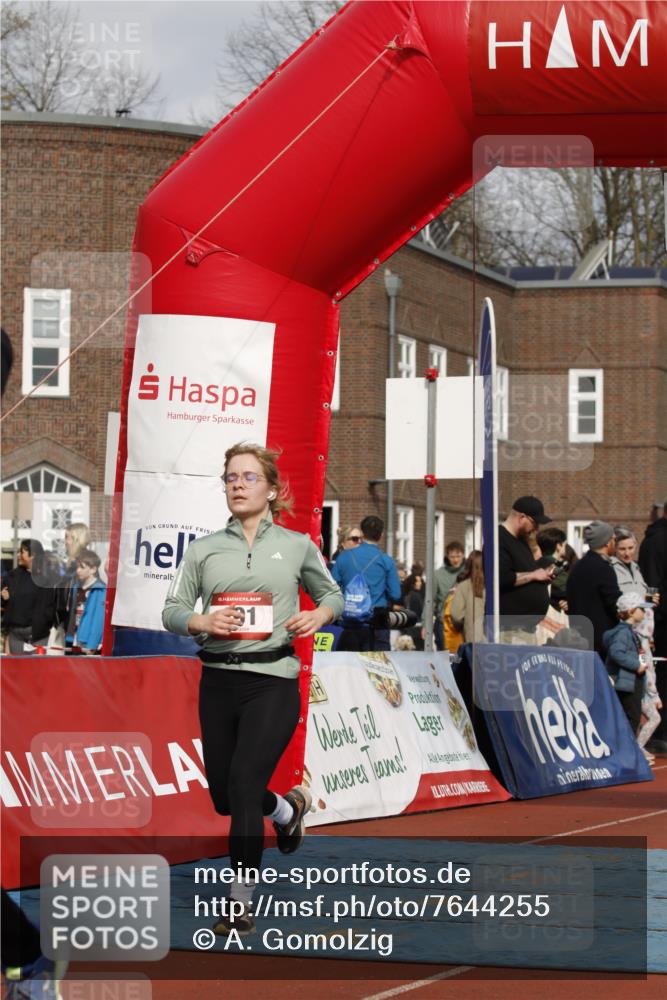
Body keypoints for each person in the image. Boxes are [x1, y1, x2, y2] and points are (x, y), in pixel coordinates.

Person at [163, 443, 343, 937]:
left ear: (270, 488)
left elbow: (332, 594)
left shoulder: (297, 544)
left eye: (247, 477)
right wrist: (202, 619)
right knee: (224, 796)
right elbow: (172, 609)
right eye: (229, 478)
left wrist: (318, 614)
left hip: (273, 679)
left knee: (244, 784)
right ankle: (288, 810)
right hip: (218, 680)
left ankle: (239, 900)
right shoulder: (203, 550)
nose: (237, 485)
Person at [331, 515, 401, 652]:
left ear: (362, 534)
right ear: (381, 535)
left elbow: (331, 586)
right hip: (377, 624)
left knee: (349, 670)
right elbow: (396, 594)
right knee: (378, 670)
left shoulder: (344, 557)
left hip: (350, 623)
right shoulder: (386, 560)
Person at [498, 496, 554, 643]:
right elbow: (501, 578)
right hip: (510, 630)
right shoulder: (499, 538)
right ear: (522, 517)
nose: (536, 529)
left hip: (524, 630)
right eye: (535, 523)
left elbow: (525, 572)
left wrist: (543, 576)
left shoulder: (521, 540)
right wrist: (534, 575)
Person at [566, 521, 622, 657]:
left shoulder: (577, 567)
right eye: (614, 538)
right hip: (601, 639)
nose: (616, 542)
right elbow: (615, 603)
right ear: (607, 542)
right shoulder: (603, 568)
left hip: (579, 636)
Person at [603, 592, 653, 736]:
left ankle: (627, 752)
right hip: (627, 684)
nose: (644, 612)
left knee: (630, 719)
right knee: (632, 719)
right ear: (631, 611)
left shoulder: (629, 632)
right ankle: (627, 753)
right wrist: (637, 665)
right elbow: (616, 652)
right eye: (641, 609)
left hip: (630, 682)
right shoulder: (623, 633)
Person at [1, 540, 55, 653]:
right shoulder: (13, 576)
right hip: (16, 635)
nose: (18, 555)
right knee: (16, 669)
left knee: (35, 669)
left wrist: (40, 628)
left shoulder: (46, 579)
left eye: (22, 552)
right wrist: (4, 599)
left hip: (37, 636)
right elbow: (4, 603)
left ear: (33, 555)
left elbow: (49, 608)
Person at [66, 549, 106, 654]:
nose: (78, 570)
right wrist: (69, 638)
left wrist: (91, 645)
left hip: (87, 643)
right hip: (74, 639)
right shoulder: (76, 587)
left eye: (82, 567)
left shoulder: (100, 590)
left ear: (93, 569)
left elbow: (98, 620)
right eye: (77, 567)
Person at [434, 541, 465, 650]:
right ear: (447, 556)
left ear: (463, 555)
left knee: (462, 658)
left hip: (462, 621)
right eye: (452, 557)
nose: (455, 560)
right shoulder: (438, 575)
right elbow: (431, 600)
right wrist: (425, 623)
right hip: (443, 622)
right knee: (445, 657)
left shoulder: (468, 572)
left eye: (458, 556)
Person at [450, 551, 485, 644]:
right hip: (494, 638)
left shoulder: (463, 586)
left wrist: (462, 626)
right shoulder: (494, 585)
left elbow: (456, 615)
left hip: (472, 639)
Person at [535, 526, 568, 610]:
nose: (566, 548)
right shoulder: (553, 568)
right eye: (564, 545)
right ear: (558, 546)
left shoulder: (535, 565)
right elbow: (570, 590)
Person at [402, 573, 425, 650]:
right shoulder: (416, 596)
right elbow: (421, 612)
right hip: (416, 630)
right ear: (413, 583)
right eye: (418, 581)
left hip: (409, 629)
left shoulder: (408, 595)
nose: (420, 583)